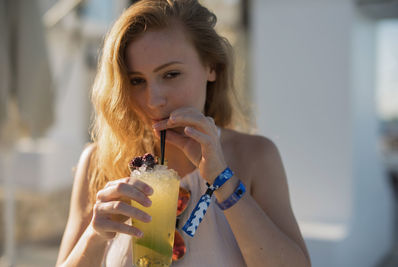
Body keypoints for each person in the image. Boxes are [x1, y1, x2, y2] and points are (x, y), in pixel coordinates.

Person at [56, 0, 311, 266]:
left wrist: (222, 179)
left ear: (211, 67)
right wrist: (94, 236)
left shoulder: (254, 157)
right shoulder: (100, 162)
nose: (153, 100)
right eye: (136, 81)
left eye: (171, 74)